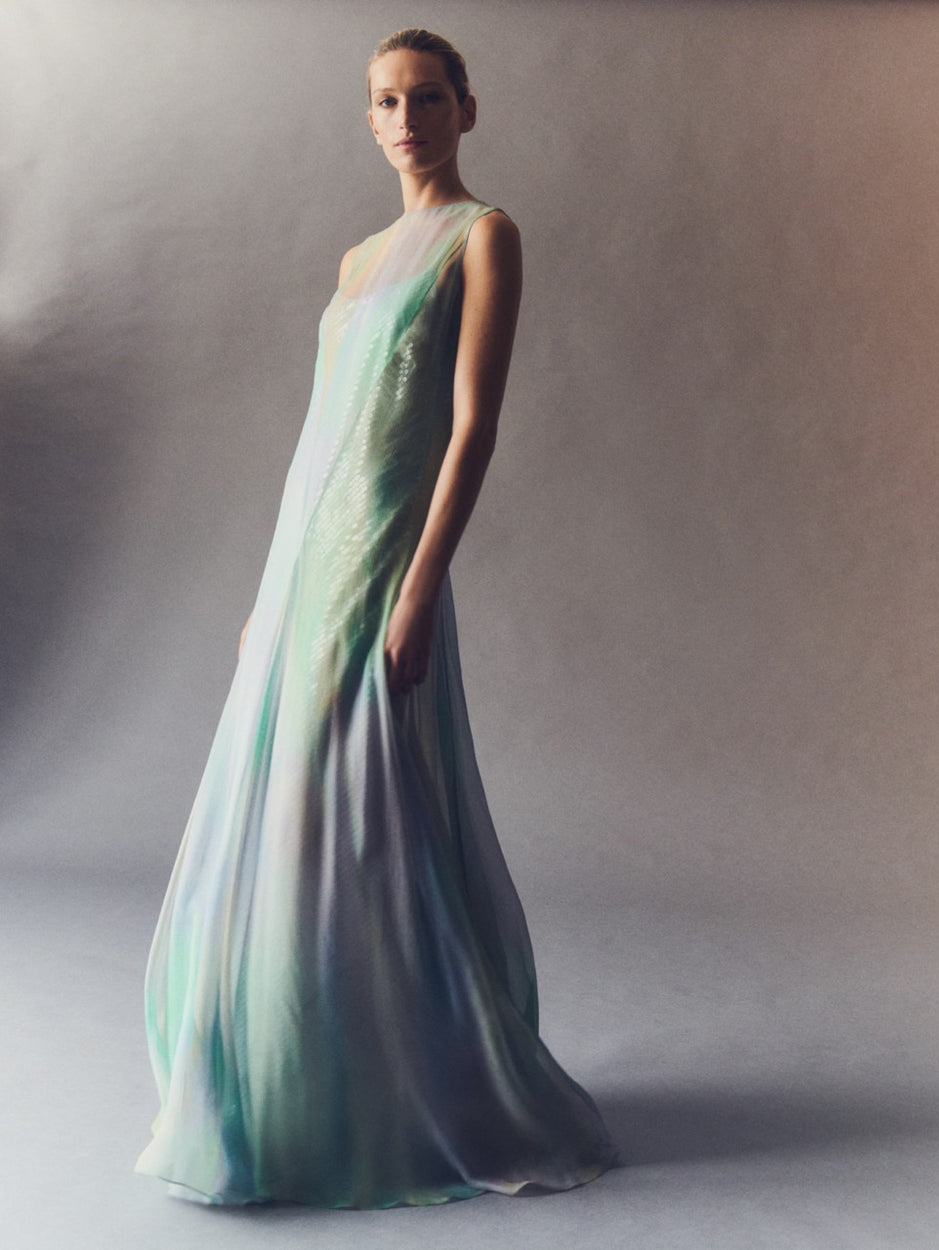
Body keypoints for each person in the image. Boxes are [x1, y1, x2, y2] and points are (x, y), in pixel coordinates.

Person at [135, 28, 617, 1209]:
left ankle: (378, 1086)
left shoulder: (483, 235)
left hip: (382, 553)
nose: (408, 119)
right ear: (369, 119)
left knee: (348, 805)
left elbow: (472, 427)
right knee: (286, 809)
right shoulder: (356, 257)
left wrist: (417, 585)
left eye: (428, 97)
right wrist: (266, 592)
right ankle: (287, 1082)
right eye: (388, 102)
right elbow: (319, 439)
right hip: (308, 557)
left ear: (466, 108)